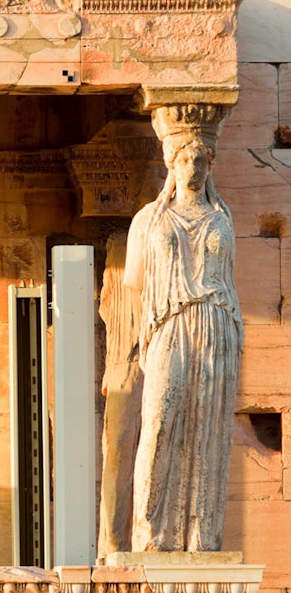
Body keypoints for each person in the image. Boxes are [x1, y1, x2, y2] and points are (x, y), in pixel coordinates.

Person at [124, 120, 242, 553]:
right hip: (169, 326)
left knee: (206, 428)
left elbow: (226, 280)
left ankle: (200, 535)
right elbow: (135, 280)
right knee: (159, 423)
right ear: (171, 164)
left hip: (215, 325)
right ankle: (150, 533)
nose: (193, 165)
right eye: (185, 157)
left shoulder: (222, 220)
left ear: (210, 166)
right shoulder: (148, 221)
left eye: (201, 158)